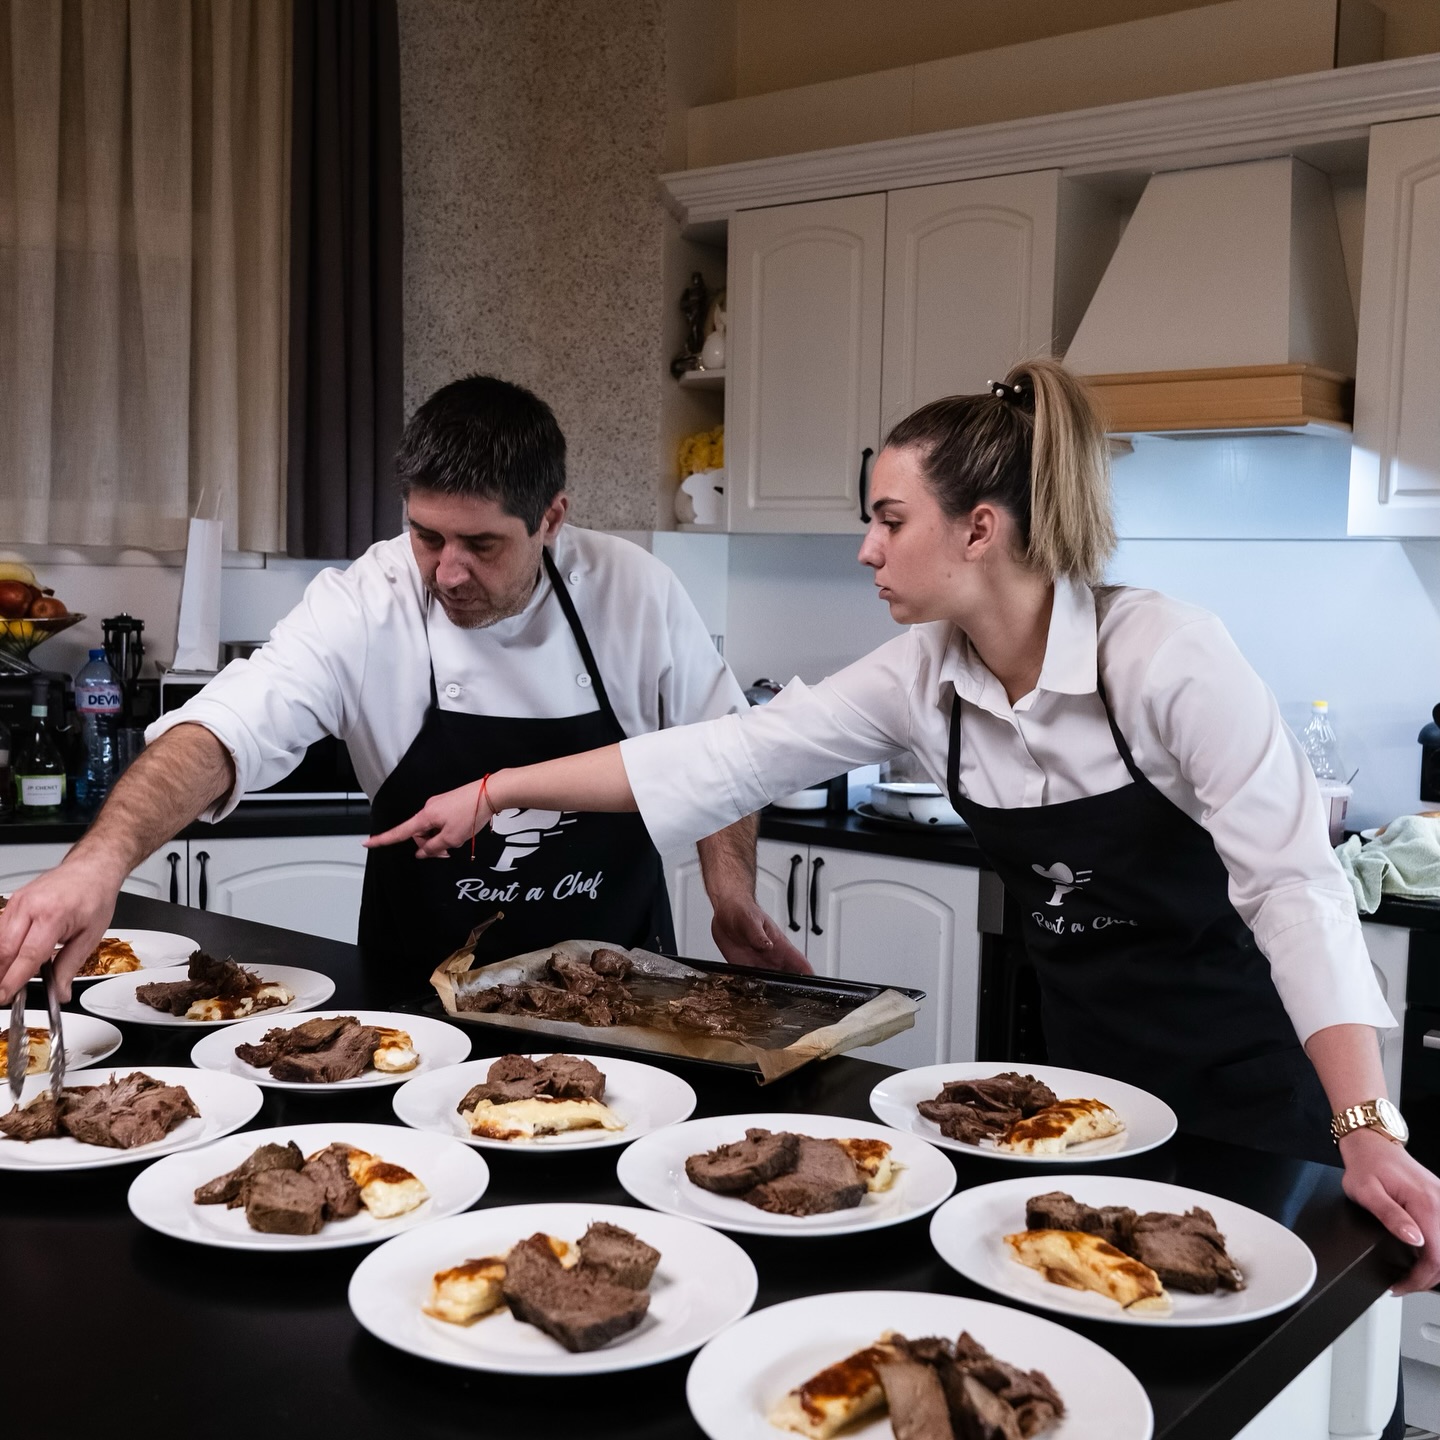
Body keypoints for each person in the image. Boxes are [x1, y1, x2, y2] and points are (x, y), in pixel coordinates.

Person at [370, 359, 1440, 1305]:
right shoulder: (924, 675)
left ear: (979, 528)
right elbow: (728, 754)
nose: (867, 549)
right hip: (1080, 1088)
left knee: (1266, 1341)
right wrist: (502, 788)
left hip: (1252, 1076)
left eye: (889, 519)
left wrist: (1365, 1124)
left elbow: (1295, 889)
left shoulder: (1163, 656)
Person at [0, 374, 807, 1006]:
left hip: (615, 993)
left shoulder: (637, 592)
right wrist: (98, 863)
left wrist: (729, 894)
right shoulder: (368, 599)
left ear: (552, 517)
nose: (447, 571)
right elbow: (224, 729)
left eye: (482, 544)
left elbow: (723, 753)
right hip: (417, 1006)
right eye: (426, 535)